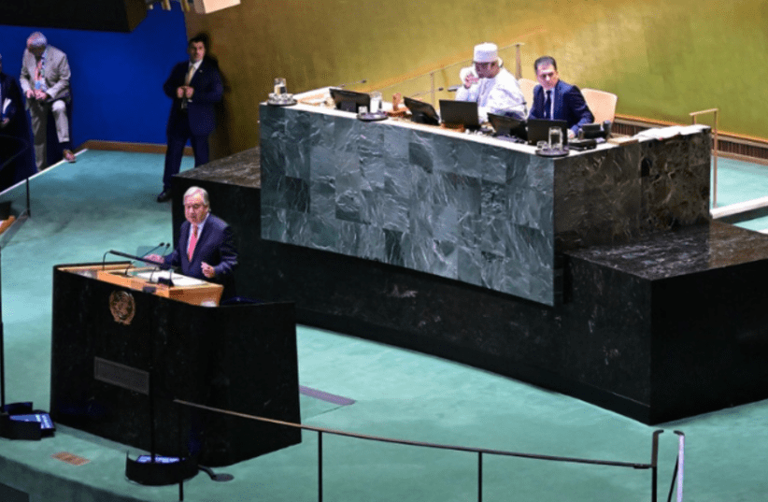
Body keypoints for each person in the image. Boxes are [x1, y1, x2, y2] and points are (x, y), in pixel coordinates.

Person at [157, 35, 223, 203]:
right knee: (173, 155)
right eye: (193, 48)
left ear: (204, 50)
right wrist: (175, 92)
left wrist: (195, 94)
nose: (196, 52)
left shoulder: (210, 71)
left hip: (200, 121)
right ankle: (169, 188)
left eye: (200, 48)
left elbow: (217, 95)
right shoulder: (180, 68)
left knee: (201, 157)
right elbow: (167, 86)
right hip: (179, 119)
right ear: (188, 50)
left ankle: (201, 193)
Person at [147, 186, 238, 300]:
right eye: (187, 207)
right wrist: (163, 260)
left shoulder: (221, 230)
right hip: (187, 291)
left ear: (206, 207)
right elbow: (180, 255)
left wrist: (215, 271)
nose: (191, 212)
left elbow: (231, 262)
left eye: (195, 207)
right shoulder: (185, 226)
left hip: (212, 295)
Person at [19, 32, 75, 169]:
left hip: (55, 96)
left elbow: (64, 80)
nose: (29, 51)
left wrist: (48, 94)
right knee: (38, 134)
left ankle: (65, 148)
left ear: (41, 47)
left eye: (31, 49)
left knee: (59, 108)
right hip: (35, 99)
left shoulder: (59, 56)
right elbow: (23, 76)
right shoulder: (28, 54)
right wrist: (28, 90)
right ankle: (40, 168)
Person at [455, 42, 526, 123]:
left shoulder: (506, 82)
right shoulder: (481, 76)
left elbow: (491, 114)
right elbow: (460, 102)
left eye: (481, 67)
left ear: (493, 65)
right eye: (475, 66)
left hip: (505, 128)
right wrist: (466, 87)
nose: (477, 70)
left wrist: (464, 113)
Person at [528, 56, 594, 138]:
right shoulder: (538, 90)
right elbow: (533, 116)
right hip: (545, 138)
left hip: (565, 139)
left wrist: (574, 131)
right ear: (537, 77)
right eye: (543, 76)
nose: (548, 79)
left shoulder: (568, 91)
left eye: (551, 74)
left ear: (557, 74)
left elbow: (587, 117)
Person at [0, 53, 37, 191]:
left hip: (6, 131)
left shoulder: (9, 81)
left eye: (0, 62)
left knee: (6, 168)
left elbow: (15, 104)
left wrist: (8, 118)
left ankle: (5, 197)